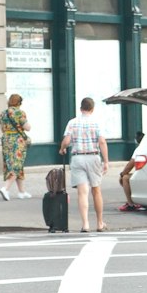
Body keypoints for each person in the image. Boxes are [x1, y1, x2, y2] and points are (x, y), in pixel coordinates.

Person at [59, 97, 109, 233]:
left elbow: (67, 140)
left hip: (78, 158)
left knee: (82, 192)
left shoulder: (72, 122)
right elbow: (102, 142)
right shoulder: (97, 122)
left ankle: (85, 224)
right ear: (92, 109)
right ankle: (99, 223)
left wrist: (62, 148)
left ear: (80, 108)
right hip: (93, 157)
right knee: (96, 190)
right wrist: (106, 161)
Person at [0, 92, 32, 199]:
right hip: (17, 140)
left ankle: (21, 192)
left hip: (6, 139)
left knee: (12, 163)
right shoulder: (19, 113)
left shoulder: (3, 113)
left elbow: (2, 128)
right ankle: (5, 188)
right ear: (19, 103)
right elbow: (27, 127)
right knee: (16, 165)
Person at [118, 133, 145, 212]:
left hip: (144, 175)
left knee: (125, 178)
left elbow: (130, 165)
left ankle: (131, 204)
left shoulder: (139, 149)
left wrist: (122, 174)